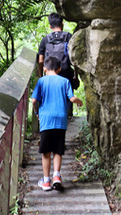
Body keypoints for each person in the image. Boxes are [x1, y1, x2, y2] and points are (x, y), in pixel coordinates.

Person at [31, 55, 83, 191]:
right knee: (58, 150)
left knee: (46, 152)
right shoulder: (65, 81)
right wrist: (79, 101)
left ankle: (46, 181)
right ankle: (56, 176)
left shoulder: (41, 81)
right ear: (59, 69)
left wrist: (37, 113)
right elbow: (72, 98)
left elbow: (34, 100)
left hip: (46, 119)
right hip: (61, 119)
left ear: (44, 69)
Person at [37, 12, 79, 116]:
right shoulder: (69, 37)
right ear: (62, 24)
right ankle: (68, 114)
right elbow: (75, 58)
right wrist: (76, 75)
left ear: (50, 26)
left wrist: (41, 75)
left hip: (50, 73)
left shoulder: (45, 39)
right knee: (67, 92)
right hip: (66, 72)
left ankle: (52, 114)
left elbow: (41, 60)